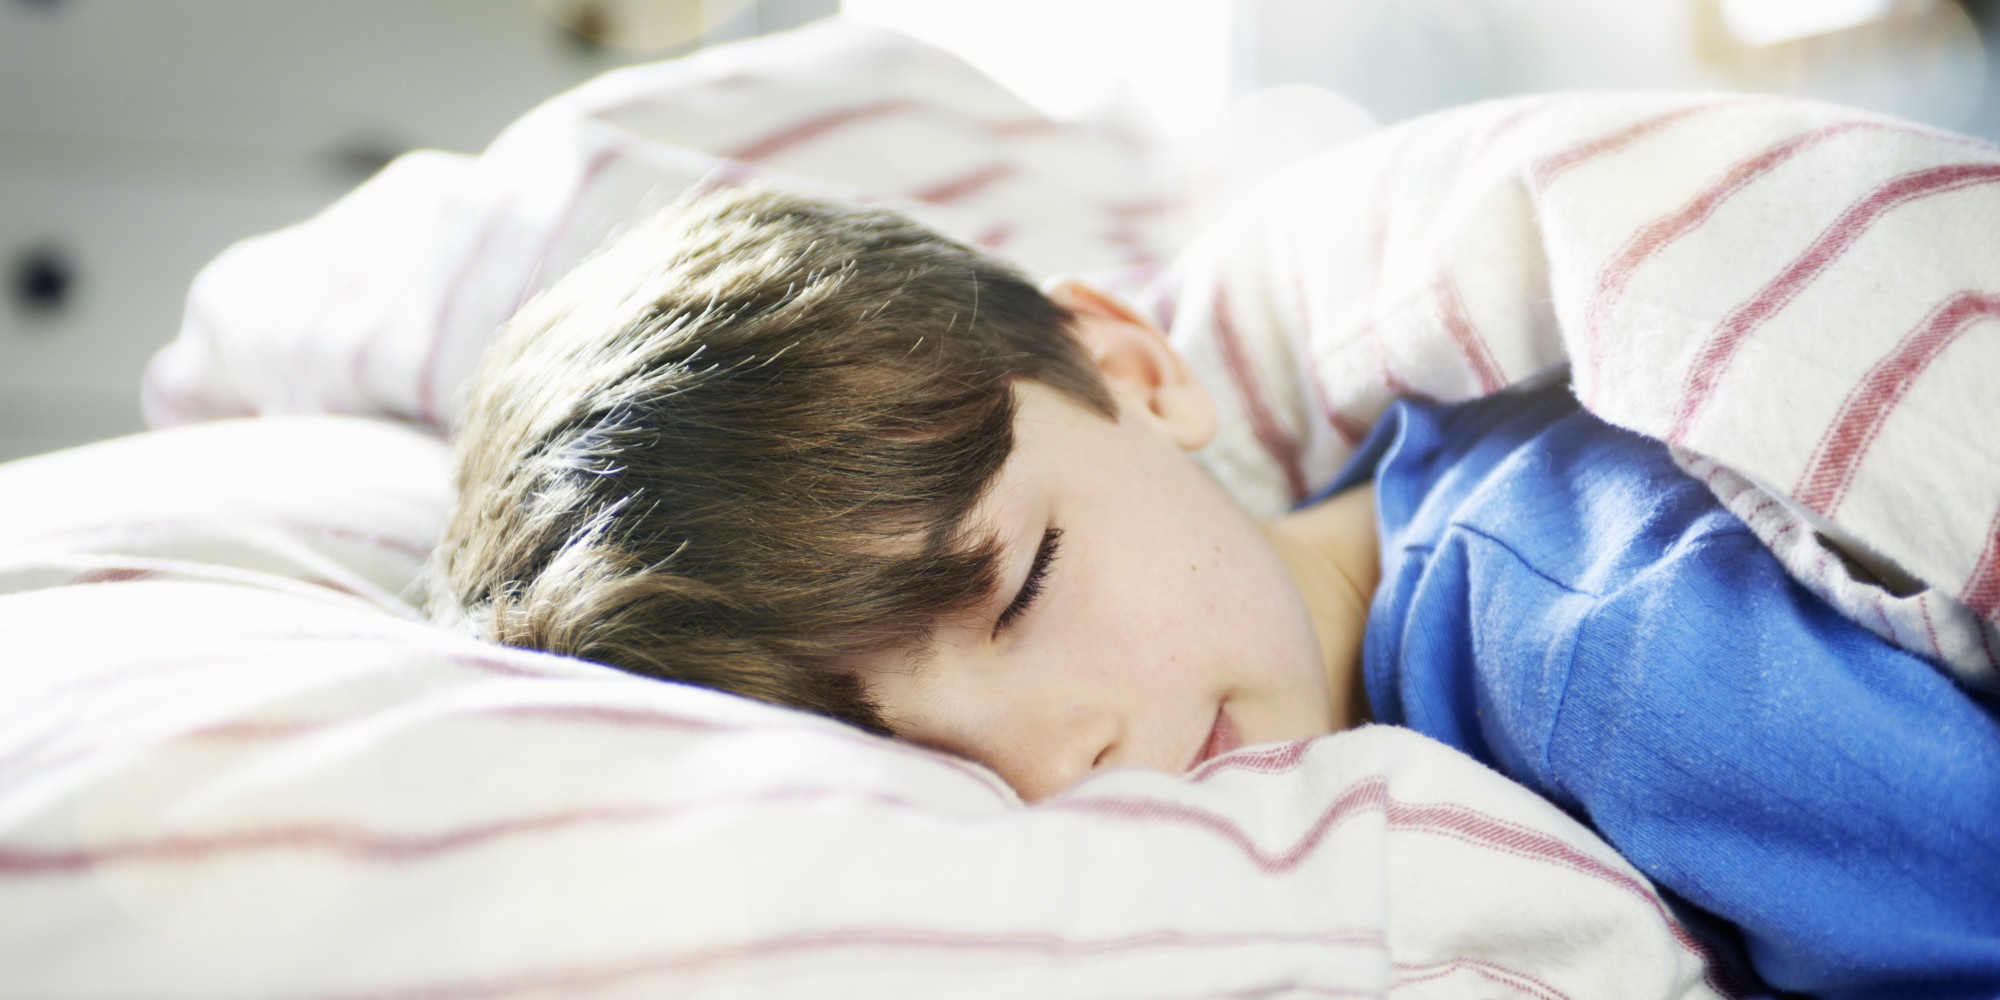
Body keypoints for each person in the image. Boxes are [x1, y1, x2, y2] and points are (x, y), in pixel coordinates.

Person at [431, 185, 2000, 999]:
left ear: (1129, 365)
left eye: (1028, 584)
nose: (1058, 762)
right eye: (912, 760)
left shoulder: (1595, 641)